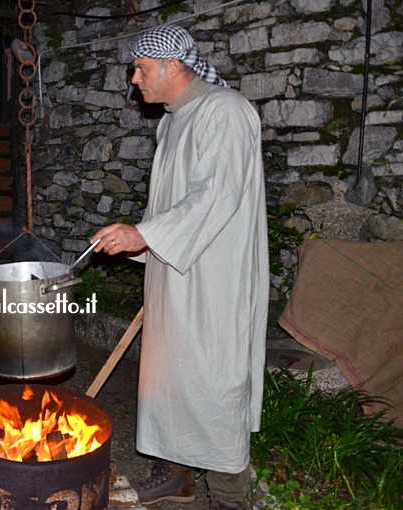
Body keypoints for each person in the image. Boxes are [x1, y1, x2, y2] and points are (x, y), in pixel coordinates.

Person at [92, 25, 268, 510]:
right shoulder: (172, 120)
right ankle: (176, 476)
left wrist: (147, 235)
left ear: (173, 67)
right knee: (171, 374)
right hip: (173, 271)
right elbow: (172, 202)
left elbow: (216, 196)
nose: (134, 79)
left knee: (214, 375)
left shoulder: (226, 113)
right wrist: (139, 240)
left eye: (141, 68)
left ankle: (231, 495)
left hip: (216, 277)